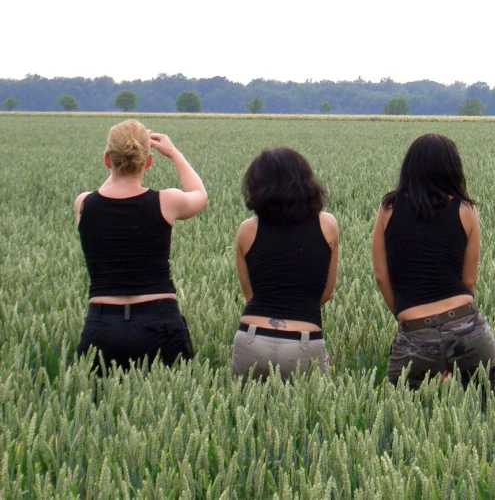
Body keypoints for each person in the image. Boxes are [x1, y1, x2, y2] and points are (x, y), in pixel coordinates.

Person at [371, 134, 495, 389]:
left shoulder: (388, 208)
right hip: (466, 324)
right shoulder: (466, 209)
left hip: (414, 327)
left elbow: (380, 275)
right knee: (491, 408)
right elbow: (468, 281)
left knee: (404, 419)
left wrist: (407, 318)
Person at [75, 119, 208, 370]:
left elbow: (104, 193)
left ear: (107, 160)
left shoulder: (83, 204)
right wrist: (174, 153)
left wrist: (118, 162)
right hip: (160, 325)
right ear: (148, 161)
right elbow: (200, 195)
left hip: (102, 327)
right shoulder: (166, 201)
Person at [232, 148, 339, 381]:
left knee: (247, 412)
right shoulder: (327, 225)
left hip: (252, 338)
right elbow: (327, 292)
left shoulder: (247, 229)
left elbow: (249, 295)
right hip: (303, 341)